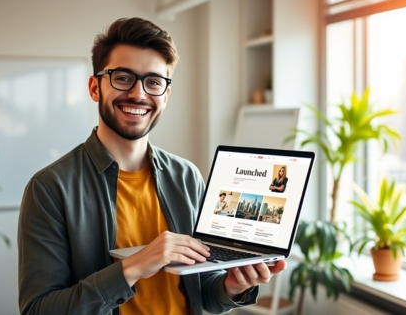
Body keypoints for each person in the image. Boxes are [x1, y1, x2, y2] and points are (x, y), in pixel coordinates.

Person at [18, 17, 286, 315]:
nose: (139, 93)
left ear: (166, 95)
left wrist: (232, 286)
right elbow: (38, 310)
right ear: (95, 87)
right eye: (122, 77)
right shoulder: (50, 188)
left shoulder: (187, 177)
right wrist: (133, 267)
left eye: (154, 82)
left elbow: (203, 294)